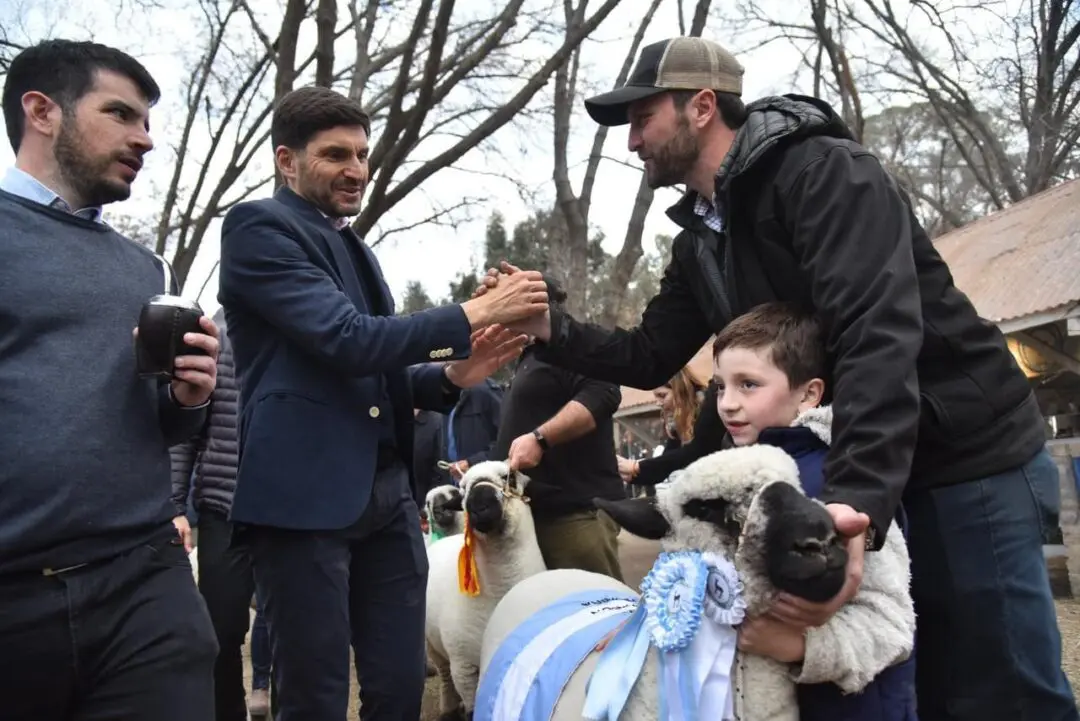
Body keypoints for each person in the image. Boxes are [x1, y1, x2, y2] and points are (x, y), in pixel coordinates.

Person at [480, 35, 1076, 721]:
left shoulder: (825, 174)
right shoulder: (700, 239)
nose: (632, 141)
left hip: (963, 461)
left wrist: (852, 501)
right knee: (910, 684)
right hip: (871, 474)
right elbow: (647, 353)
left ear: (702, 106)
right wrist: (548, 326)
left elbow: (875, 333)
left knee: (1001, 690)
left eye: (642, 119)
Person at [217, 85, 549, 721]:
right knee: (314, 697)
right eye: (335, 154)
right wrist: (477, 309)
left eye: (362, 154)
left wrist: (455, 373)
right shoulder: (258, 228)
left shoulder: (357, 250)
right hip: (302, 501)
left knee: (400, 688)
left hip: (388, 503)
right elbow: (346, 340)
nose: (356, 169)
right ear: (287, 161)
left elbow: (381, 373)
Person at [0, 39, 220, 720]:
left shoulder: (146, 268)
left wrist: (187, 398)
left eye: (147, 122)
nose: (145, 139)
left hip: (144, 584)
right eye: (121, 114)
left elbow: (158, 421)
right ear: (42, 111)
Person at [170, 308, 269, 720]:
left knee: (297, 633)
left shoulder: (306, 329)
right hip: (223, 512)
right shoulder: (214, 337)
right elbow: (185, 434)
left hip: (292, 515)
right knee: (221, 633)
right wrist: (175, 507)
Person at [493, 275, 626, 580]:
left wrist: (540, 439)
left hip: (576, 516)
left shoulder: (573, 348)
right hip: (537, 516)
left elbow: (602, 393)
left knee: (593, 606)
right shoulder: (529, 358)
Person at [441, 377, 503, 483]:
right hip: (454, 483)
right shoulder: (444, 394)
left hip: (482, 483)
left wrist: (471, 462)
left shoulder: (486, 392)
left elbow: (505, 443)